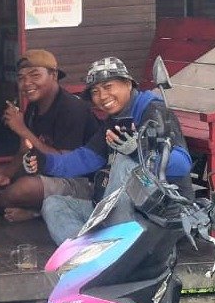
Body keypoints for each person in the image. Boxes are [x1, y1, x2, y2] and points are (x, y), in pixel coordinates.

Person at [25, 56, 193, 245]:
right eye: (95, 92)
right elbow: (84, 159)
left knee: (124, 162)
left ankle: (115, 245)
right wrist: (45, 161)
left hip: (159, 216)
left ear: (128, 84)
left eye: (108, 87)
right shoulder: (113, 121)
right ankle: (85, 251)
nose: (102, 96)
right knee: (52, 204)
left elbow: (181, 165)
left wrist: (137, 152)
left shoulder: (154, 111)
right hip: (112, 212)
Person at [0, 49, 99, 222]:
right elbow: (24, 149)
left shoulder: (72, 108)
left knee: (24, 188)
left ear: (53, 75)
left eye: (35, 75)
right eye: (21, 78)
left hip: (80, 181)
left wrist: (22, 129)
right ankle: (17, 204)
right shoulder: (34, 106)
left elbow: (65, 164)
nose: (26, 83)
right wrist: (6, 175)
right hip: (40, 171)